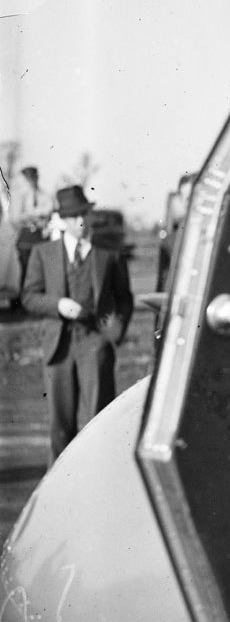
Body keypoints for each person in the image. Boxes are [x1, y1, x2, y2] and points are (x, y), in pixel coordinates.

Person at [22, 185, 134, 463]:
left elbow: (124, 299)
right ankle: (57, 495)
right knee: (60, 428)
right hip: (58, 347)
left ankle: (100, 484)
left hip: (95, 344)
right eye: (72, 217)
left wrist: (113, 334)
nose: (80, 221)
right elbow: (29, 297)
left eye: (84, 213)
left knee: (100, 422)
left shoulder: (108, 254)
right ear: (62, 219)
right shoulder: (43, 253)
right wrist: (57, 305)